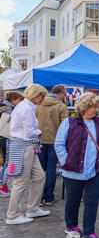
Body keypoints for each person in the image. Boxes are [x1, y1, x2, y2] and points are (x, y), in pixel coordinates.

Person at [55, 92, 99, 238]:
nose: (97, 110)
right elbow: (59, 144)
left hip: (94, 172)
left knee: (92, 202)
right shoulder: (69, 122)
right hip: (72, 171)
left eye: (97, 107)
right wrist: (66, 161)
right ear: (85, 107)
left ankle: (89, 232)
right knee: (72, 201)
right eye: (94, 107)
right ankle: (71, 225)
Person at [5, 84, 50, 225]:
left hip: (25, 145)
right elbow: (30, 132)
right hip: (24, 146)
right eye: (42, 96)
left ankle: (32, 208)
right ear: (36, 96)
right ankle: (13, 215)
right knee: (21, 181)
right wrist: (39, 132)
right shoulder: (26, 108)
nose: (43, 99)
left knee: (39, 176)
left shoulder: (24, 106)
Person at [36, 84, 69, 205]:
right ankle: (49, 197)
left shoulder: (38, 104)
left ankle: (39, 197)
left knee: (39, 170)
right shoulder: (61, 106)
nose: (64, 97)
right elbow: (65, 126)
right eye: (65, 94)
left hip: (39, 139)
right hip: (55, 141)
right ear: (60, 93)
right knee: (51, 169)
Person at [0, 92, 25, 198]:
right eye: (19, 100)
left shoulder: (3, 106)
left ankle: (2, 185)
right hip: (5, 138)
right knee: (6, 162)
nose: (20, 103)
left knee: (3, 162)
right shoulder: (8, 109)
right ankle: (2, 186)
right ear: (14, 100)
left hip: (2, 137)